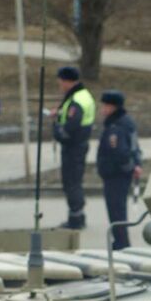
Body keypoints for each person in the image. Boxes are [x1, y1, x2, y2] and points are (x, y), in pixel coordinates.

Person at [96, 90, 143, 250]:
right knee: (118, 209)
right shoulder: (127, 121)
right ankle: (121, 241)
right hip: (121, 174)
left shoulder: (116, 127)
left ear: (112, 107)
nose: (102, 109)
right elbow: (135, 147)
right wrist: (136, 164)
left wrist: (128, 167)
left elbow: (120, 152)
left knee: (116, 211)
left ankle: (121, 243)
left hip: (115, 174)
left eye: (104, 106)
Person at [52, 65, 96, 230]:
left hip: (73, 147)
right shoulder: (82, 95)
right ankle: (78, 215)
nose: (59, 85)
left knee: (71, 182)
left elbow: (70, 127)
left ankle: (75, 218)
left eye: (60, 81)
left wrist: (56, 127)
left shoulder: (76, 100)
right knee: (74, 181)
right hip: (79, 145)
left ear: (66, 81)